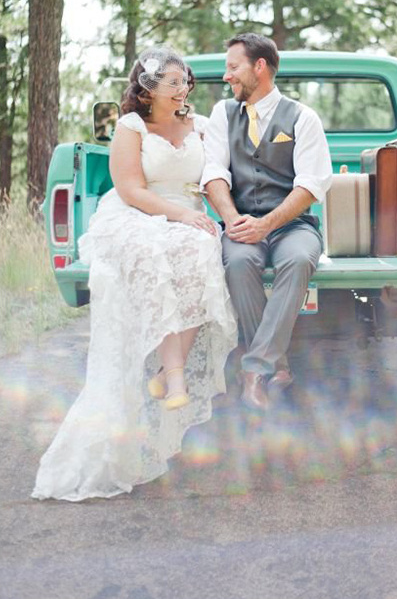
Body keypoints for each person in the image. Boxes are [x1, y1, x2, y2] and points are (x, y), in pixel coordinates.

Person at [32, 48, 237, 502]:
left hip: (190, 214)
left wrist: (203, 216)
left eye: (185, 81)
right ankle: (176, 375)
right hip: (136, 213)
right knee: (153, 253)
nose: (184, 88)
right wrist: (178, 216)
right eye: (173, 82)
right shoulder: (131, 127)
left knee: (203, 255)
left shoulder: (201, 125)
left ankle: (167, 371)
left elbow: (214, 177)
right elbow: (129, 189)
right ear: (147, 90)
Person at [203, 33, 332, 411]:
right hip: (241, 222)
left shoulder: (303, 117)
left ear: (259, 67)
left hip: (293, 225)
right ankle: (277, 363)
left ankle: (255, 368)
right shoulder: (221, 115)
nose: (226, 76)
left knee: (298, 259)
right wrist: (232, 220)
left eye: (233, 67)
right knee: (239, 262)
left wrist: (268, 224)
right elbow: (213, 172)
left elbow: (310, 185)